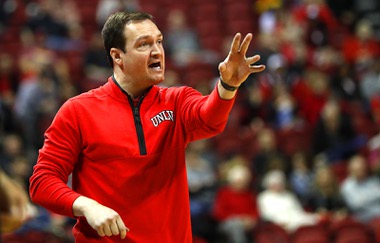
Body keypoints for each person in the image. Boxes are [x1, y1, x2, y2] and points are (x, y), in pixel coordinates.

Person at [29, 11, 265, 242]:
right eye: (144, 44)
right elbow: (42, 181)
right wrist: (85, 206)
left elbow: (209, 120)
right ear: (117, 56)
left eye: (159, 42)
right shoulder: (78, 111)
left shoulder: (177, 100)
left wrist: (227, 86)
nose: (157, 51)